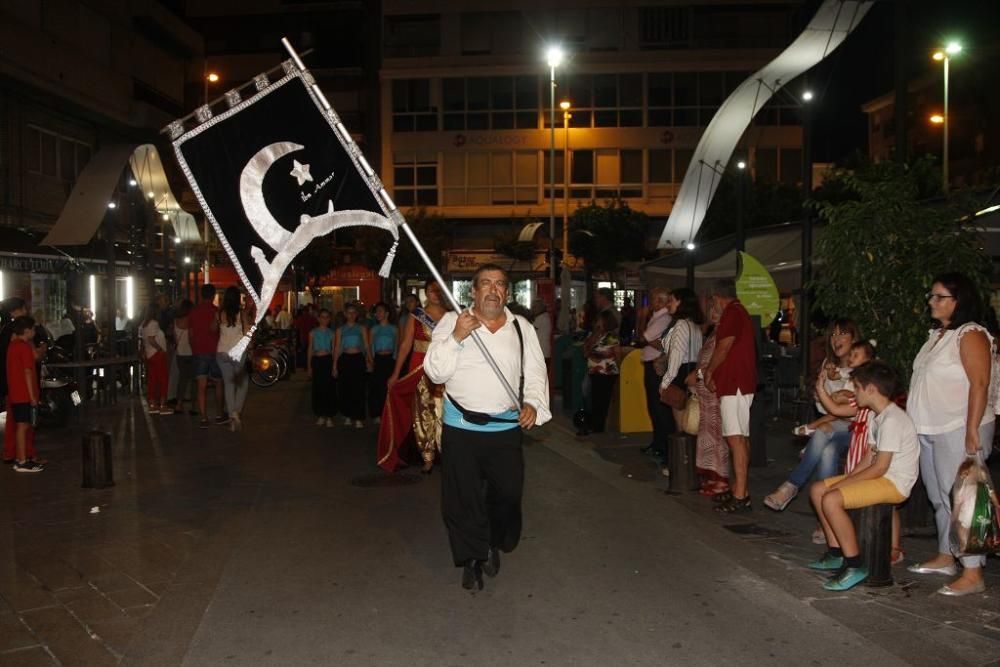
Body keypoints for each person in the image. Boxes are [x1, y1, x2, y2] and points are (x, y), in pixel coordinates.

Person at [424, 263, 551, 591]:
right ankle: (472, 559)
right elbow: (435, 373)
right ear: (473, 291)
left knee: (507, 495)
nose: (493, 290)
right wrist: (456, 338)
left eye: (500, 285)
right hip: (462, 428)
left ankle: (493, 541)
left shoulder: (521, 327)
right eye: (486, 284)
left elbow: (535, 372)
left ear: (506, 292)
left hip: (505, 430)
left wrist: (534, 404)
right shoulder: (453, 322)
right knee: (463, 499)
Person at [907, 272, 995, 596]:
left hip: (957, 427)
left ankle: (973, 572)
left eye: (939, 297)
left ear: (959, 301)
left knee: (963, 498)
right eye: (931, 296)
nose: (932, 301)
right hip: (930, 427)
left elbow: (980, 383)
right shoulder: (938, 335)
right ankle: (947, 556)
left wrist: (972, 429)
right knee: (939, 495)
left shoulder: (970, 334)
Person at [807, 360, 919, 591]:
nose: (854, 392)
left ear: (871, 389)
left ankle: (854, 564)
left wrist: (843, 485)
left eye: (857, 387)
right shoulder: (876, 417)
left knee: (831, 498)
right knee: (819, 489)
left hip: (894, 483)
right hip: (881, 476)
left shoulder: (892, 420)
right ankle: (836, 552)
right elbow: (868, 458)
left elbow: (880, 468)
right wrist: (845, 479)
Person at [764, 329, 869, 514]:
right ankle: (826, 516)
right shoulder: (831, 367)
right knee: (827, 451)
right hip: (839, 427)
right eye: (834, 334)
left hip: (859, 430)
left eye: (843, 333)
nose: (836, 338)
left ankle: (792, 485)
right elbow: (827, 408)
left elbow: (841, 409)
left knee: (822, 432)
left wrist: (812, 426)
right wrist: (823, 393)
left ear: (854, 339)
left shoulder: (864, 377)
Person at [377, 280, 447, 473]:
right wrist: (395, 374)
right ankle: (428, 457)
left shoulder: (451, 315)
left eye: (439, 290)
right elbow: (406, 344)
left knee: (444, 412)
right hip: (420, 367)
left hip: (445, 368)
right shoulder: (416, 315)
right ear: (426, 293)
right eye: (431, 291)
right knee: (423, 411)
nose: (435, 294)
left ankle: (446, 453)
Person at [703, 279, 756, 513]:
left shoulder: (732, 313)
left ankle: (741, 494)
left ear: (717, 298)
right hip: (738, 382)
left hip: (735, 383)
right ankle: (740, 488)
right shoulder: (738, 312)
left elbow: (723, 347)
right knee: (739, 438)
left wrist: (708, 372)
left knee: (735, 438)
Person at [686, 301, 729, 495]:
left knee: (718, 436)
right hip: (705, 395)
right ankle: (711, 476)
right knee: (708, 435)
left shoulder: (724, 335)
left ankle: (721, 479)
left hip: (714, 391)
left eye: (717, 310)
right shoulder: (714, 333)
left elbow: (719, 362)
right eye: (711, 310)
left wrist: (699, 374)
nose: (713, 313)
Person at [658, 287, 704, 433]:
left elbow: (676, 357)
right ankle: (689, 454)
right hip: (692, 373)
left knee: (682, 425)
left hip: (680, 376)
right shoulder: (694, 325)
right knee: (692, 422)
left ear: (681, 303)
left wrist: (665, 382)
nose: (668, 304)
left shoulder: (681, 325)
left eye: (671, 301)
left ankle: (683, 455)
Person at [636, 288, 673, 460]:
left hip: (657, 367)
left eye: (654, 298)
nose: (651, 301)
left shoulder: (663, 318)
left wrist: (642, 317)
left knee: (659, 408)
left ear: (661, 301)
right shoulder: (658, 317)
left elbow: (643, 337)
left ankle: (663, 445)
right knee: (654, 406)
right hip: (652, 363)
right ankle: (658, 443)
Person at [6, 316, 42, 473]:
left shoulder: (13, 345)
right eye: (33, 329)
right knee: (23, 426)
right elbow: (28, 371)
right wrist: (32, 396)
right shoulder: (24, 347)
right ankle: (21, 461)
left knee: (22, 426)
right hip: (24, 394)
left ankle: (21, 458)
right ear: (27, 331)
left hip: (15, 392)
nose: (34, 332)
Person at [190, 284, 226, 428]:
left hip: (199, 351)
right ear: (213, 296)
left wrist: (194, 349)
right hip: (215, 350)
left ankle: (204, 417)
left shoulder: (193, 312)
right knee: (218, 383)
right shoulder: (217, 312)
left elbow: (190, 334)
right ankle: (219, 414)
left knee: (201, 386)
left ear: (201, 294)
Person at [216, 287, 250, 432]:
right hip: (237, 352)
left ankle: (231, 417)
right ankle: (236, 412)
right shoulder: (241, 313)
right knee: (242, 383)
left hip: (222, 352)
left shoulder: (219, 313)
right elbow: (248, 332)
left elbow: (213, 328)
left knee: (229, 384)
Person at [334, 303, 372, 428]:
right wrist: (334, 365)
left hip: (358, 359)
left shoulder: (361, 328)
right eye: (348, 312)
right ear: (345, 314)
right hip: (345, 360)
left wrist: (370, 360)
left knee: (359, 388)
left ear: (357, 314)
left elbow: (366, 346)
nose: (351, 315)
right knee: (346, 388)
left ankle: (358, 417)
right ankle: (348, 415)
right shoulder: (340, 330)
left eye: (353, 312)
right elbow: (337, 348)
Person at [583, 310, 620, 434]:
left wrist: (597, 354)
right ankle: (594, 424)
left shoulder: (611, 336)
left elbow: (616, 354)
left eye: (599, 319)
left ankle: (599, 427)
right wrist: (594, 335)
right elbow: (585, 350)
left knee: (602, 400)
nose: (597, 321)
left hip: (606, 373)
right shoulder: (595, 334)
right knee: (594, 399)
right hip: (594, 371)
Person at [368, 303, 397, 425]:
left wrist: (395, 362)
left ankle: (390, 414)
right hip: (378, 359)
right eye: (376, 312)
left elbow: (397, 346)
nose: (377, 314)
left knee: (389, 387)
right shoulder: (374, 329)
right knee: (377, 388)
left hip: (390, 359)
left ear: (387, 313)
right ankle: (377, 413)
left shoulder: (394, 329)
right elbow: (369, 346)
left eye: (380, 311)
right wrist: (371, 361)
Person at [308, 309, 337, 427]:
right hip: (317, 361)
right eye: (322, 317)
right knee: (318, 388)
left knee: (329, 388)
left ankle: (329, 416)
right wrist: (309, 366)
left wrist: (335, 366)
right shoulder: (313, 332)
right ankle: (320, 415)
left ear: (329, 319)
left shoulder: (332, 333)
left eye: (327, 317)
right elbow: (310, 349)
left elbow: (335, 350)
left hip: (328, 360)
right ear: (318, 318)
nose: (324, 319)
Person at [139, 303, 169, 415]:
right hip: (156, 354)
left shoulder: (144, 324)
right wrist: (160, 349)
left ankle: (152, 404)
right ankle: (163, 404)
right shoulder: (154, 323)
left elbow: (145, 340)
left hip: (149, 355)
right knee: (163, 379)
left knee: (152, 380)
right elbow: (151, 339)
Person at [172, 300, 196, 415]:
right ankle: (194, 406)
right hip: (191, 353)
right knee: (194, 380)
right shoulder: (191, 321)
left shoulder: (175, 321)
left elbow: (175, 339)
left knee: (182, 379)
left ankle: (179, 404)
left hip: (180, 354)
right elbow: (192, 338)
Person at [531, 298, 552, 387]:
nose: (533, 309)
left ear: (540, 307)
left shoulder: (541, 318)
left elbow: (530, 330)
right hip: (543, 353)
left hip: (541, 353)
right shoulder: (543, 317)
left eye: (535, 307)